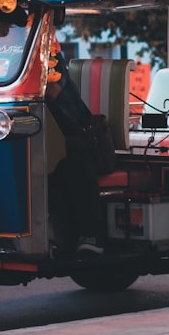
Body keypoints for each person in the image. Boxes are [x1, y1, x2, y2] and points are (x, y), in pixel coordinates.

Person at [43, 33, 106, 256]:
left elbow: (51, 91)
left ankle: (91, 233)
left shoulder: (49, 57)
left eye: (2, 29)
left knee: (70, 152)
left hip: (75, 130)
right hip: (45, 132)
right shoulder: (0, 62)